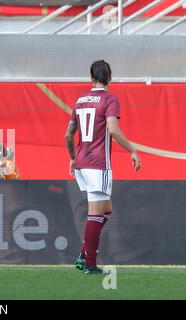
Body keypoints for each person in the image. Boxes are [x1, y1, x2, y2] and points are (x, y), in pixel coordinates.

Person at [65, 60, 141, 274]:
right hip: (98, 164)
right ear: (110, 77)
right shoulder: (109, 99)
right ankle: (89, 263)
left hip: (82, 161)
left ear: (91, 78)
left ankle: (83, 253)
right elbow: (114, 131)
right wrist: (133, 150)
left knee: (106, 210)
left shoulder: (80, 101)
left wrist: (72, 158)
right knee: (95, 213)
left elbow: (68, 134)